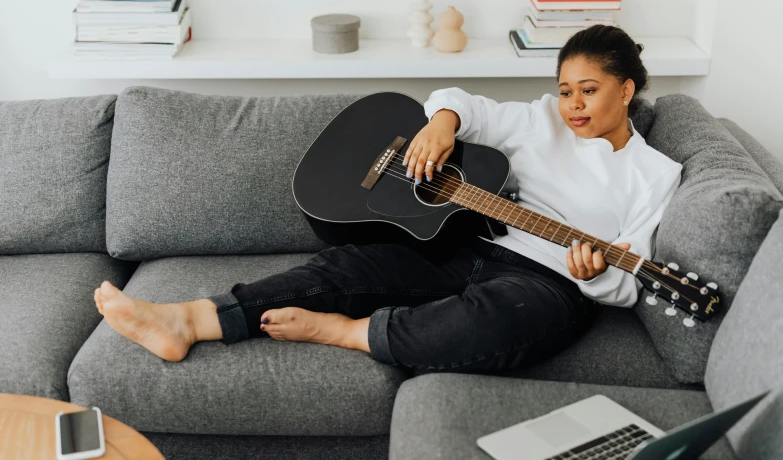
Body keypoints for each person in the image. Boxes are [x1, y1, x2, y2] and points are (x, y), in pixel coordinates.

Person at [93, 24, 682, 374]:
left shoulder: (656, 175)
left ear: (626, 89)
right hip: (467, 243)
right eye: (564, 91)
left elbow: (630, 282)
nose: (572, 104)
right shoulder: (539, 121)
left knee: (498, 322)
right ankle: (187, 320)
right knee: (348, 265)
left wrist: (597, 273)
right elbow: (460, 99)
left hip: (549, 284)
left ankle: (344, 332)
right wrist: (443, 123)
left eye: (589, 90)